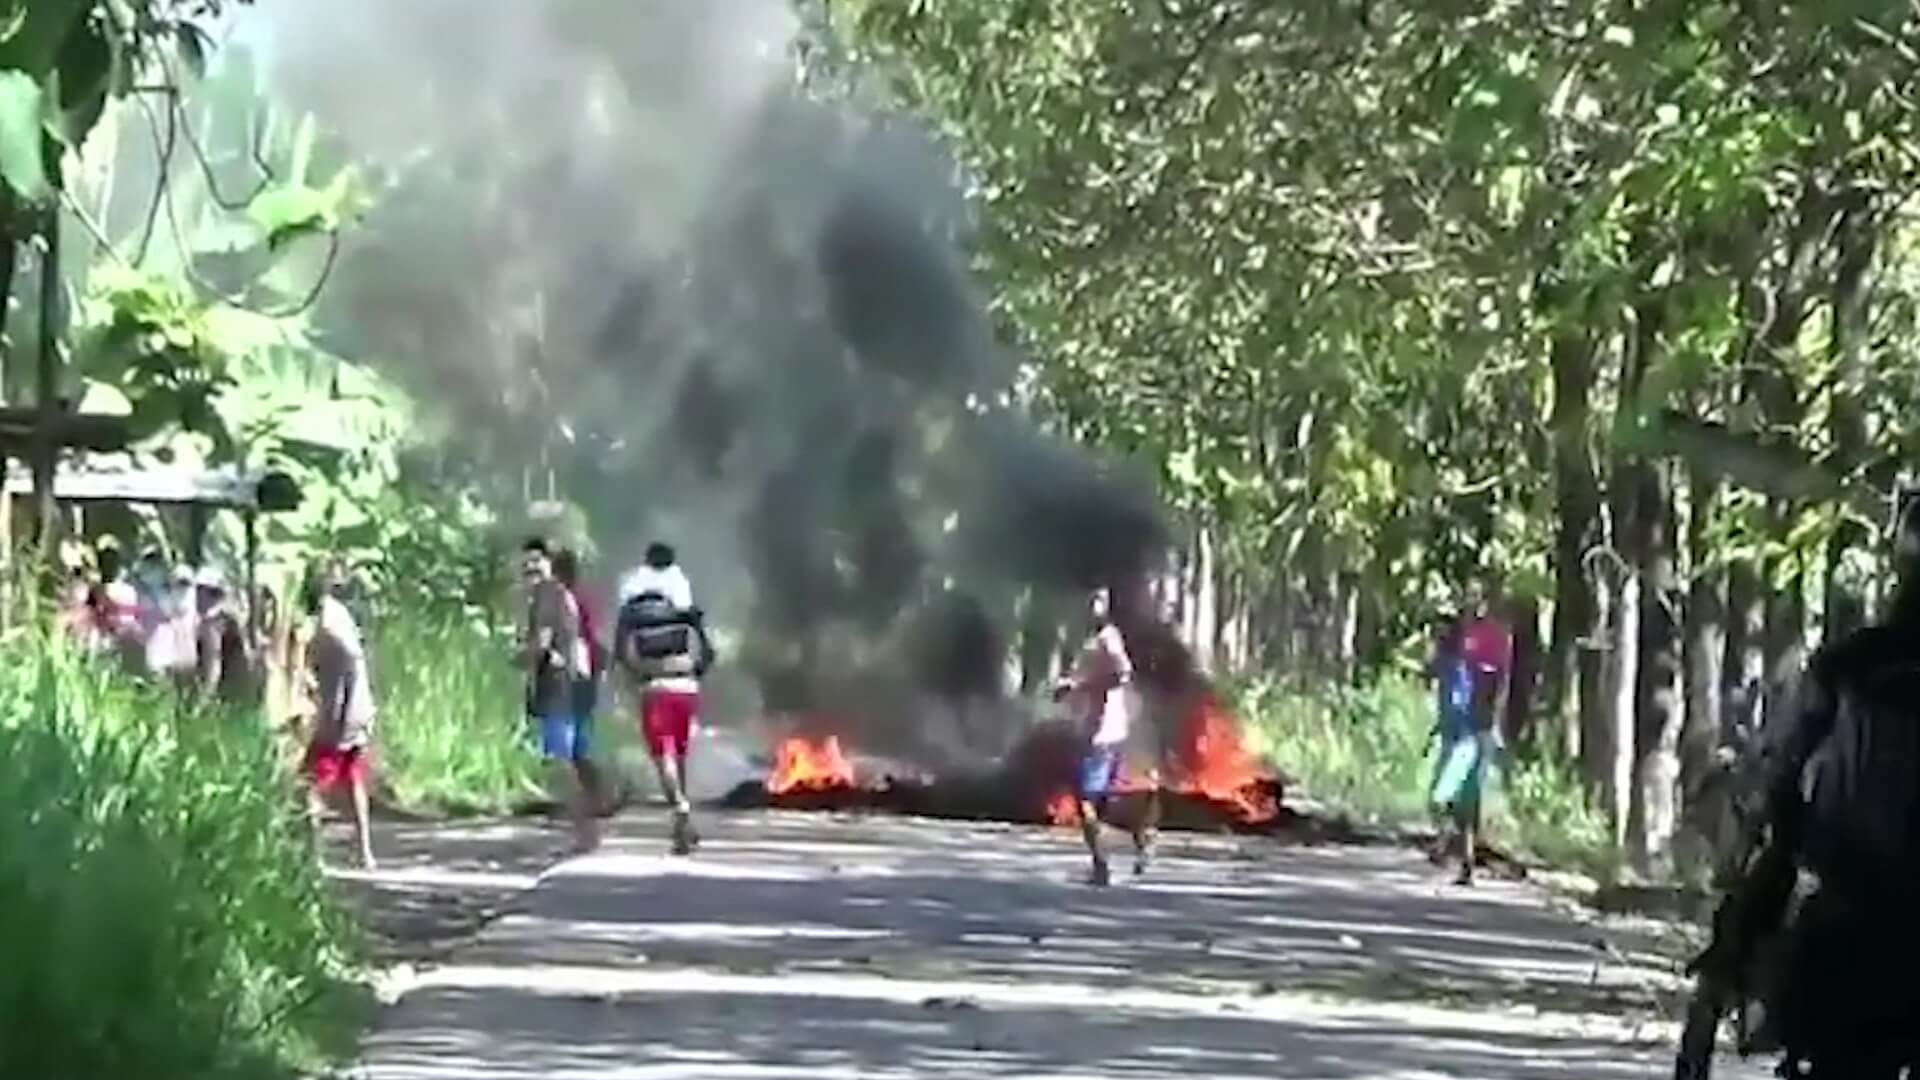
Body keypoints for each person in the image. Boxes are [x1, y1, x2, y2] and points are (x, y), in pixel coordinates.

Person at [1680, 493, 1920, 1079]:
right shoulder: (1850, 666)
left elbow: (1785, 764)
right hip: (1874, 888)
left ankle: (1730, 963)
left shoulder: (1851, 662)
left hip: (1849, 876)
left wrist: (1776, 826)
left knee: (1769, 867)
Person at [614, 541, 714, 856]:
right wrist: (694, 671)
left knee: (662, 757)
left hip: (654, 686)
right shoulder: (683, 598)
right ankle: (682, 825)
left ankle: (681, 808)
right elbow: (709, 652)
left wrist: (636, 675)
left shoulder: (632, 602)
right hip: (686, 686)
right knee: (680, 755)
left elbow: (621, 652)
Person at [1055, 587, 1150, 887]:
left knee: (1086, 801)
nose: (1092, 607)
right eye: (1089, 600)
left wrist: (1081, 686)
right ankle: (1140, 837)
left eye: (1098, 601)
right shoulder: (1090, 639)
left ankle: (1101, 866)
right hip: (1101, 729)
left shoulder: (1108, 637)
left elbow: (1122, 672)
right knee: (1103, 804)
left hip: (1102, 732)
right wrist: (1070, 686)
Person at [518, 538, 598, 853]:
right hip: (573, 684)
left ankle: (582, 834)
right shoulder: (561, 593)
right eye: (526, 561)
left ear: (552, 563)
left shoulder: (547, 593)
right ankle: (587, 829)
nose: (530, 567)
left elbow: (542, 642)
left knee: (561, 761)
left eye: (537, 560)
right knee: (574, 759)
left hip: (557, 685)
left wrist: (518, 657)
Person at [1429, 581, 1510, 886]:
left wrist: (1489, 725)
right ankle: (1459, 856)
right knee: (1454, 799)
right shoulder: (1451, 654)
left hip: (1473, 734)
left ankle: (1459, 855)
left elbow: (1496, 683)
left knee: (1456, 799)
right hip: (1456, 734)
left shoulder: (1486, 642)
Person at [302, 569, 377, 869]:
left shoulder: (326, 624)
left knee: (311, 783)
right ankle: (364, 851)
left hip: (340, 713)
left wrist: (337, 716)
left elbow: (347, 665)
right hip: (356, 709)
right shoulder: (338, 613)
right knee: (352, 779)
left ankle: (314, 857)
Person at [553, 547, 609, 816]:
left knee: (569, 740)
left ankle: (592, 797)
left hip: (571, 674)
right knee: (575, 738)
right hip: (584, 673)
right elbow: (592, 639)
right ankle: (593, 796)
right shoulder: (582, 599)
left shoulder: (561, 600)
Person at [193, 567, 254, 704]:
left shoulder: (216, 621)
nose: (198, 597)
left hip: (230, 684)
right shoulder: (224, 616)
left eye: (201, 592)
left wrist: (205, 697)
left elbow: (213, 661)